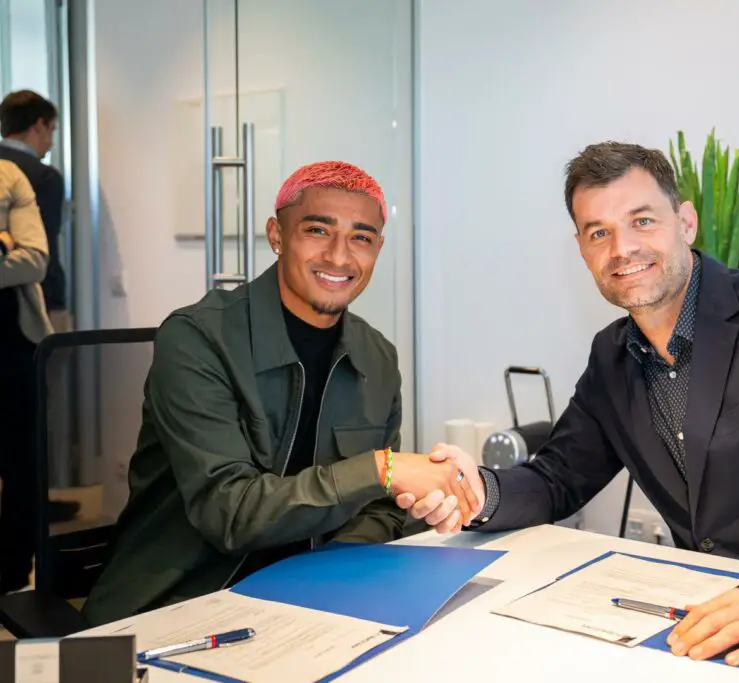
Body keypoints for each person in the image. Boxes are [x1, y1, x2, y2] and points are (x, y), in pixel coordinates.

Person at [401, 142, 739, 666]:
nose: (622, 249)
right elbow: (558, 479)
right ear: (582, 250)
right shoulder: (612, 357)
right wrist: (481, 492)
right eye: (599, 232)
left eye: (642, 221)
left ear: (685, 222)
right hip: (714, 621)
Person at [83, 161, 479, 625]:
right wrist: (381, 468)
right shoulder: (197, 339)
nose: (339, 257)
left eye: (361, 237)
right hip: (181, 604)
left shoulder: (376, 357)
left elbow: (378, 508)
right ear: (277, 235)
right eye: (318, 230)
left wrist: (326, 580)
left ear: (377, 249)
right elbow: (229, 513)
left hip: (309, 602)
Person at [0, 159, 53, 593]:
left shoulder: (9, 176)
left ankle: (13, 575)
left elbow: (34, 260)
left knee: (23, 464)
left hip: (14, 344)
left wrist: (11, 247)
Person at [0, 90, 67, 327]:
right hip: (31, 307)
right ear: (39, 125)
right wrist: (56, 304)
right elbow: (43, 252)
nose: (51, 142)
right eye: (52, 130)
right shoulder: (43, 177)